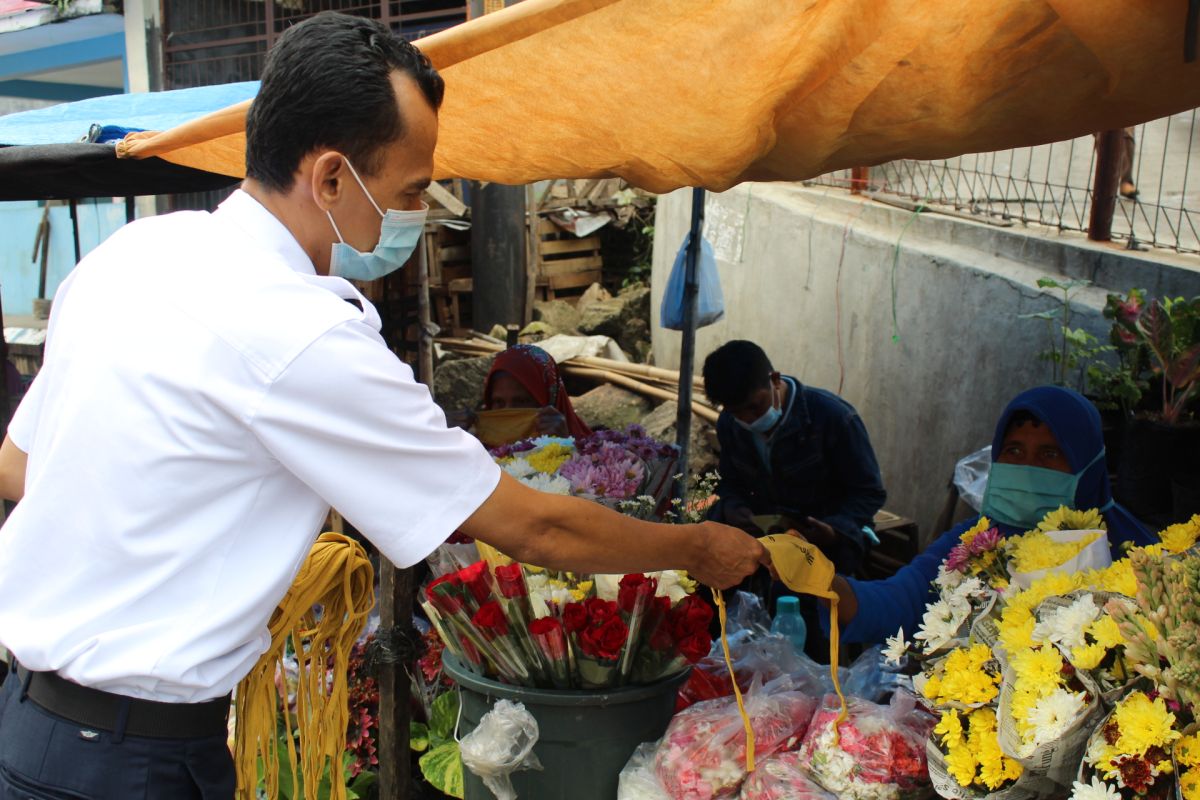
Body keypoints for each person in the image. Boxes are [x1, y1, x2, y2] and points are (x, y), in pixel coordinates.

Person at [0, 14, 767, 798]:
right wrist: (695, 546)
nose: (414, 214)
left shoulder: (132, 257)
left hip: (28, 722)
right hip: (129, 760)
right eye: (408, 192)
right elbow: (529, 525)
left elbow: (20, 466)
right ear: (331, 178)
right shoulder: (302, 332)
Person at [827, 386, 1155, 646]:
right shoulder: (975, 543)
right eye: (1013, 451)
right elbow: (900, 601)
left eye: (1050, 454)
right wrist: (822, 582)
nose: (1027, 468)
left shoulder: (1136, 554)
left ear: (1089, 465)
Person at [702, 340, 887, 575]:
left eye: (755, 407)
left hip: (823, 538)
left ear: (775, 380)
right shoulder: (730, 425)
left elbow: (869, 492)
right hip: (764, 536)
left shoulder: (834, 418)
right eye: (737, 412)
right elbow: (730, 482)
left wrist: (833, 530)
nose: (749, 420)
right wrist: (734, 507)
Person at [468, 343, 592, 447]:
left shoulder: (594, 455)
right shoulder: (476, 446)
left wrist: (564, 444)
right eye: (499, 402)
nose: (508, 411)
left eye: (521, 401)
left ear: (548, 401)